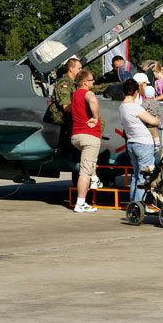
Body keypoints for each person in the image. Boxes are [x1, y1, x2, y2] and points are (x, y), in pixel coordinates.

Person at [119, 78, 160, 203]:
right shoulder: (135, 108)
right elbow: (153, 121)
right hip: (144, 143)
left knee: (136, 176)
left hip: (131, 143)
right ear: (136, 92)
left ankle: (134, 204)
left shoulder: (122, 107)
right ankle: (139, 206)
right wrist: (157, 119)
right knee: (144, 177)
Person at [70, 69, 102, 213]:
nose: (93, 82)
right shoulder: (88, 93)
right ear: (84, 82)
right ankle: (81, 203)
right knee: (85, 173)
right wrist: (95, 117)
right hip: (89, 136)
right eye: (91, 80)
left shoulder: (75, 94)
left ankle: (95, 179)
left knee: (88, 162)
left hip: (76, 135)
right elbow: (93, 100)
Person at [48, 57, 81, 126]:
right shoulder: (64, 84)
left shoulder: (73, 82)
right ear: (71, 69)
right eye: (79, 68)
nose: (81, 70)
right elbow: (66, 107)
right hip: (60, 115)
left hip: (70, 113)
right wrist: (82, 109)